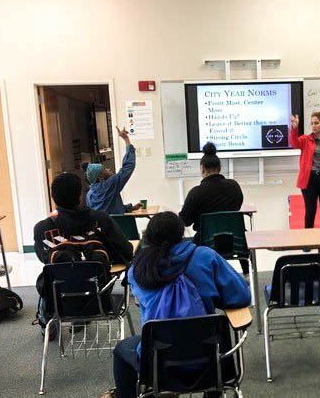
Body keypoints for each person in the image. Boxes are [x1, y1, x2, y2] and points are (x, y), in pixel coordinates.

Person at [105, 211, 250, 398]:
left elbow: (141, 304)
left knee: (121, 349)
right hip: (210, 358)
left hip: (158, 362)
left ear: (148, 237)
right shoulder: (206, 256)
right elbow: (241, 296)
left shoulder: (138, 269)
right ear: (181, 234)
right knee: (212, 338)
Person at [178, 142, 248, 277]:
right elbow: (237, 207)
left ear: (202, 168)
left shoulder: (196, 192)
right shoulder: (234, 186)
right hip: (235, 242)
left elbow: (185, 221)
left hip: (205, 244)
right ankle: (247, 273)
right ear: (220, 168)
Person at [34, 172, 134, 265]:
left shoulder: (41, 228)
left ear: (53, 197)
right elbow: (126, 252)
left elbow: (44, 259)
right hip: (99, 282)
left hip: (59, 283)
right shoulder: (101, 220)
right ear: (80, 196)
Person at [83, 126, 142, 214]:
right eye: (104, 169)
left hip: (101, 227)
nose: (108, 169)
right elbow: (128, 167)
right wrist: (126, 139)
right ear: (100, 176)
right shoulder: (110, 184)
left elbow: (108, 210)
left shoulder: (89, 195)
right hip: (117, 227)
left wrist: (130, 208)